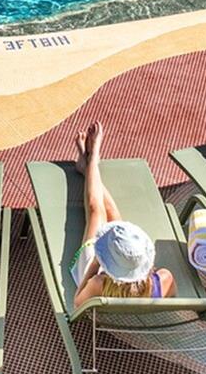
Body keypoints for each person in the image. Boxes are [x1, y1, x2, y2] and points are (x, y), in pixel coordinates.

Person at [70, 122, 178, 308]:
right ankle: (88, 167)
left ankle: (91, 162)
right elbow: (171, 293)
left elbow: (77, 302)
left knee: (97, 210)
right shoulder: (165, 280)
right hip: (126, 278)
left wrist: (95, 264)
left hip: (99, 273)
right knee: (113, 215)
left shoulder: (98, 284)